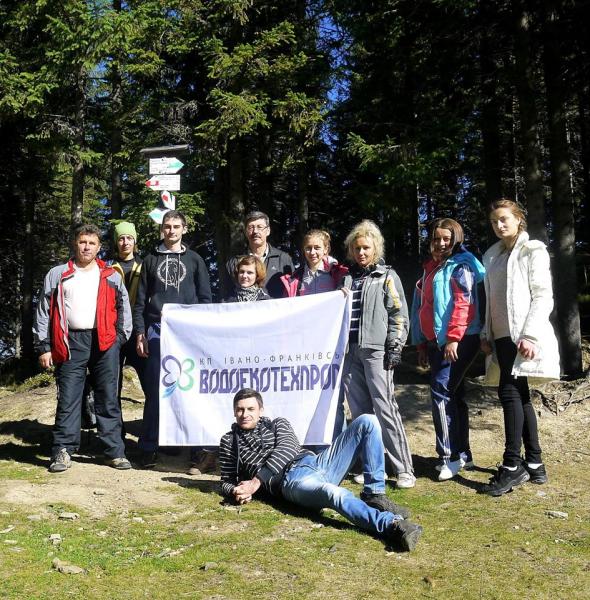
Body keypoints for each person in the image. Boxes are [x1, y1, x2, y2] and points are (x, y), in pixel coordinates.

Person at [219, 388, 422, 551]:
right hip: (293, 482)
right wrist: (237, 491)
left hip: (317, 463)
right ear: (234, 412)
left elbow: (287, 449)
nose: (245, 414)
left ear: (260, 410)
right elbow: (226, 481)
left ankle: (374, 494)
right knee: (335, 494)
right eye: (240, 409)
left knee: (368, 421)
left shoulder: (278, 423)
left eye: (250, 409)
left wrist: (256, 482)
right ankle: (392, 526)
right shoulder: (229, 441)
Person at [33, 223, 132, 472]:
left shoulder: (111, 275)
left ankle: (114, 452)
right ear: (75, 244)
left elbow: (124, 309)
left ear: (99, 247)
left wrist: (119, 339)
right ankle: (63, 451)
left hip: (105, 342)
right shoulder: (57, 274)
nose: (86, 247)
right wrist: (44, 346)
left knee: (108, 398)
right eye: (82, 242)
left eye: (92, 243)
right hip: (70, 342)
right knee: (68, 398)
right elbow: (43, 311)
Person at [480, 199, 560, 496]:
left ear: (518, 219)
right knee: (520, 396)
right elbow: (492, 300)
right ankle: (535, 463)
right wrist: (486, 333)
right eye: (494, 221)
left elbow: (543, 296)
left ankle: (512, 465)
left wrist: (530, 335)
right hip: (500, 337)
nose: (499, 225)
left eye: (504, 219)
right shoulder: (494, 256)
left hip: (521, 337)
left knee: (510, 393)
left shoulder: (532, 250)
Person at [133, 210, 212, 469]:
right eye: (167, 226)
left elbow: (205, 299)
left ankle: (197, 449)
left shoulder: (195, 260)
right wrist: (140, 333)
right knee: (157, 390)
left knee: (191, 389)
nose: (171, 231)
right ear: (162, 229)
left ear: (184, 229)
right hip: (158, 329)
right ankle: (148, 447)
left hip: (189, 333)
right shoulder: (150, 260)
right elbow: (140, 301)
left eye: (176, 226)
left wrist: (203, 332)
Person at [339, 220, 415, 488]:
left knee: (385, 407)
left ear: (376, 248)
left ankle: (404, 469)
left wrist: (395, 345)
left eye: (366, 248)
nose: (361, 252)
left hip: (376, 350)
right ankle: (374, 467)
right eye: (356, 248)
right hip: (350, 352)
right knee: (361, 413)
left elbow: (399, 313)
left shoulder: (387, 276)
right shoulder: (347, 279)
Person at [410, 218, 485, 481]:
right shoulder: (431, 268)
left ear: (456, 240)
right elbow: (423, 309)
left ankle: (449, 456)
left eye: (446, 239)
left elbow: (465, 303)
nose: (441, 243)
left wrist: (453, 338)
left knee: (441, 393)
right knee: (455, 393)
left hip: (459, 339)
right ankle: (463, 454)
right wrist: (421, 343)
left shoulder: (460, 266)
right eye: (436, 238)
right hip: (436, 342)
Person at [225, 210, 293, 298]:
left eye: (260, 227)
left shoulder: (283, 259)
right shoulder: (234, 262)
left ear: (268, 231)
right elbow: (226, 296)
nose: (255, 231)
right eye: (251, 227)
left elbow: (292, 291)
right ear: (246, 232)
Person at [280, 229, 348, 297]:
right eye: (308, 248)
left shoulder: (338, 273)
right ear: (304, 250)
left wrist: (343, 287)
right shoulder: (296, 278)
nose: (312, 252)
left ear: (326, 249)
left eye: (317, 248)